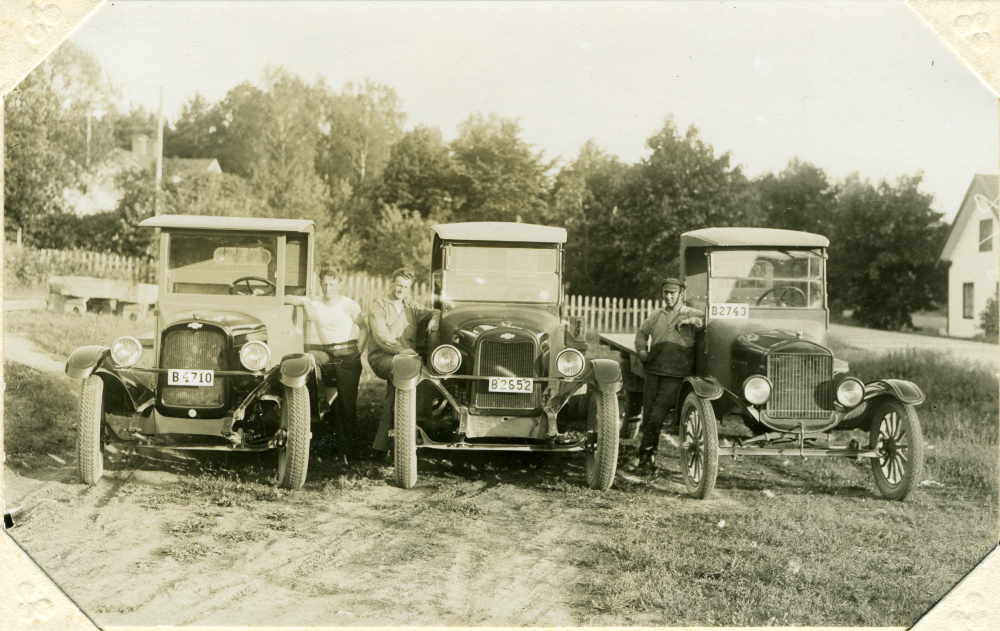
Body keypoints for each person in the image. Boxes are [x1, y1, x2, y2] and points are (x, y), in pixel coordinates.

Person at [285, 265, 367, 460]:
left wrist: (359, 351)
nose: (327, 288)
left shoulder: (349, 305)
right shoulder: (316, 302)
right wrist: (306, 304)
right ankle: (321, 401)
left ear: (340, 284)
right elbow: (286, 298)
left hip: (348, 354)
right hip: (326, 353)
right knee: (308, 359)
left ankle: (347, 451)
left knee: (347, 406)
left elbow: (364, 328)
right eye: (324, 284)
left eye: (331, 284)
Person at [626, 277, 704, 473]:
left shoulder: (692, 313)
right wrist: (642, 351)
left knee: (657, 416)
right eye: (665, 293)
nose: (669, 297)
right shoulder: (656, 315)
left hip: (676, 375)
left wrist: (691, 321)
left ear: (681, 294)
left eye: (673, 293)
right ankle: (649, 460)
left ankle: (643, 453)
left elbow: (707, 321)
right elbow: (641, 334)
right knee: (648, 417)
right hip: (653, 372)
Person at [367, 267, 440, 461]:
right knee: (403, 379)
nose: (401, 290)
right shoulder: (379, 307)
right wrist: (401, 350)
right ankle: (400, 442)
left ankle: (382, 446)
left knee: (396, 394)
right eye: (398, 285)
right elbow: (382, 337)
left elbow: (435, 311)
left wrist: (436, 317)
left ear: (409, 289)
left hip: (407, 361)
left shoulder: (413, 308)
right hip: (383, 358)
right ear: (391, 284)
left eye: (406, 287)